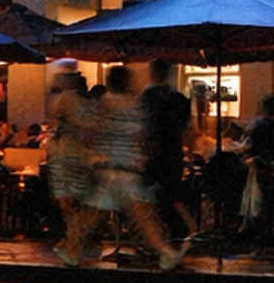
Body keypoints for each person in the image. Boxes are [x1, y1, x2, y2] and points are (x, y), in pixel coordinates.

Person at [91, 66, 186, 269]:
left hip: (112, 167)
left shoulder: (107, 103)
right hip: (130, 166)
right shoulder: (135, 104)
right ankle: (165, 250)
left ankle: (71, 247)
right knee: (140, 213)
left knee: (94, 211)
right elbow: (142, 133)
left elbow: (96, 131)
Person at [45, 67, 98, 265]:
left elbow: (82, 125)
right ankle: (72, 241)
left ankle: (73, 244)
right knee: (73, 202)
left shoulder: (68, 99)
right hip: (72, 154)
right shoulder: (85, 103)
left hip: (66, 155)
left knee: (68, 203)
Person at [140, 57, 193, 244]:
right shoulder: (180, 99)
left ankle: (155, 236)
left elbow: (143, 127)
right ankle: (178, 231)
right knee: (170, 194)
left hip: (153, 153)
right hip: (173, 152)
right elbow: (187, 129)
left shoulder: (147, 97)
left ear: (153, 73)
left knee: (148, 196)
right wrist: (190, 154)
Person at [243, 91, 274, 241]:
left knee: (258, 195)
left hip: (258, 164)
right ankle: (272, 225)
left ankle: (257, 226)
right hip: (273, 164)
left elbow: (250, 146)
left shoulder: (256, 126)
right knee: (273, 196)